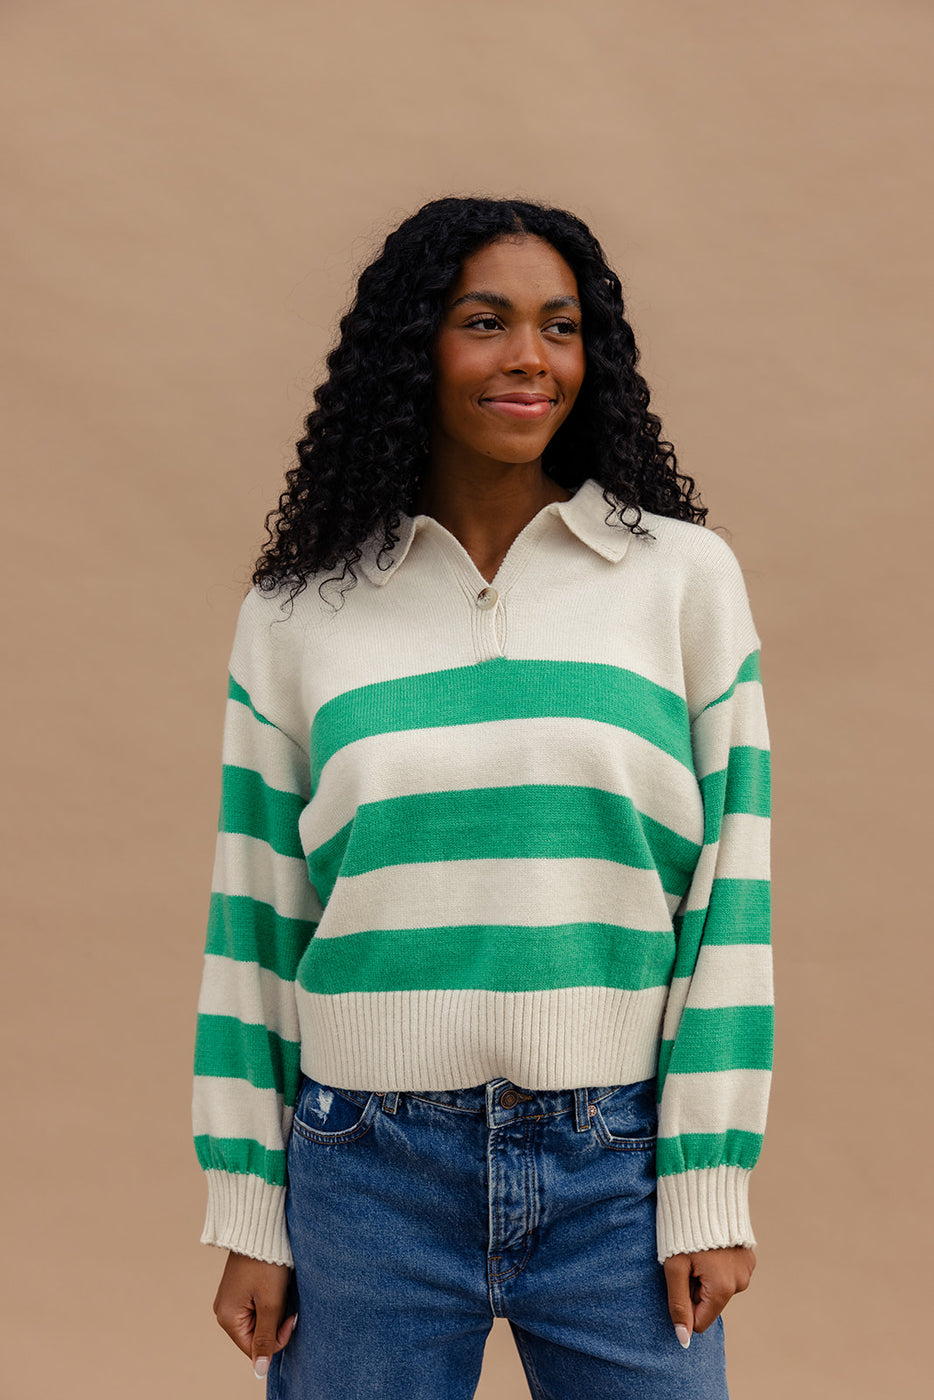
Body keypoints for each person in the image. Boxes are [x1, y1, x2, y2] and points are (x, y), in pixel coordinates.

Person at [192, 195, 773, 1399]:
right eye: (485, 321)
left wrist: (709, 1178)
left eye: (561, 328)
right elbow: (253, 916)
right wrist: (248, 1202)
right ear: (414, 350)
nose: (530, 358)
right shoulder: (298, 610)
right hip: (365, 1174)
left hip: (617, 1165)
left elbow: (732, 895)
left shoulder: (681, 581)